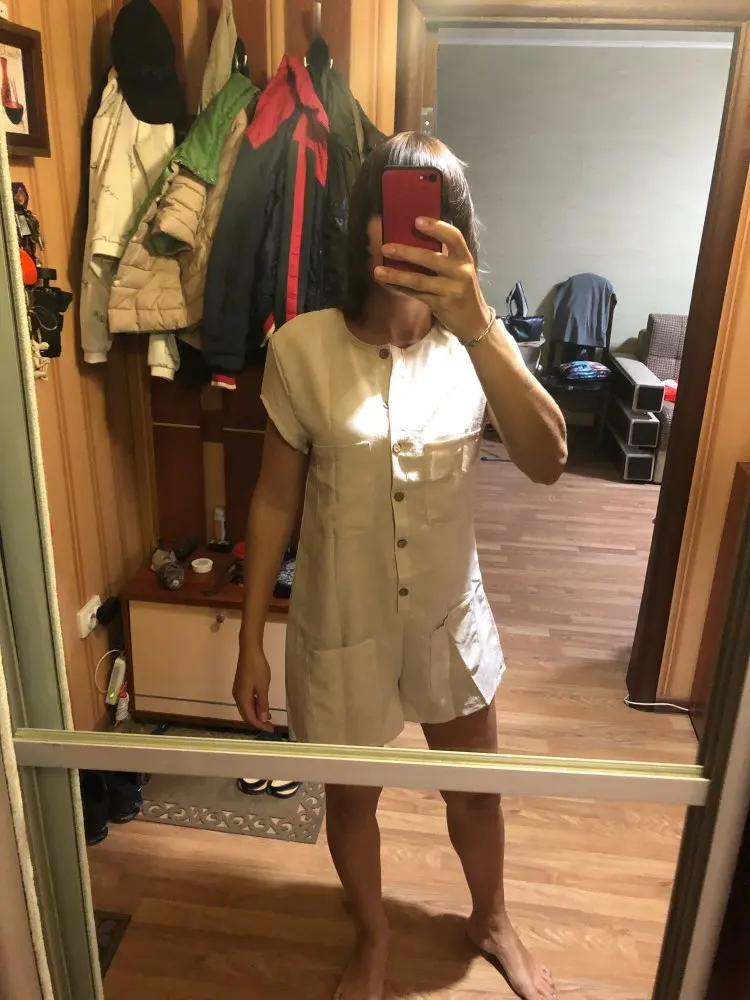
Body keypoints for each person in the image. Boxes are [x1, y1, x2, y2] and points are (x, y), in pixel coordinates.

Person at [233, 132, 567, 1000]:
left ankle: (492, 918)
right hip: (340, 619)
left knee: (476, 793)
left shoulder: (477, 349)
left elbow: (549, 460)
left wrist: (480, 324)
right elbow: (272, 501)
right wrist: (250, 640)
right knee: (352, 799)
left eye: (431, 214)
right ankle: (373, 936)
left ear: (457, 232)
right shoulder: (301, 349)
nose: (408, 232)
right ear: (364, 225)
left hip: (449, 621)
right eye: (392, 208)